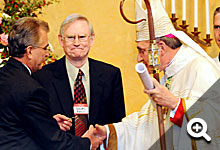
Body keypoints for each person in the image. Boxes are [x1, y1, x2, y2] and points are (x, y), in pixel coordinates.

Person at [94, 0, 220, 149]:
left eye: (142, 50)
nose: (139, 58)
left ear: (160, 47)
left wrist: (175, 104)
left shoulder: (200, 69)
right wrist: (109, 132)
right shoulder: (170, 75)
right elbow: (148, 123)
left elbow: (214, 122)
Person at [0, 17, 103, 150]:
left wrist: (49, 122)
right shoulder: (31, 89)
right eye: (45, 48)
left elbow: (15, 121)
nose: (47, 54)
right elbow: (54, 142)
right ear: (29, 51)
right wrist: (88, 143)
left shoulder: (4, 75)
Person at [33, 13, 126, 135]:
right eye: (71, 37)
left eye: (82, 37)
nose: (76, 43)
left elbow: (118, 125)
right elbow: (37, 124)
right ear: (61, 40)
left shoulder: (111, 75)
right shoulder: (42, 77)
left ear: (91, 39)